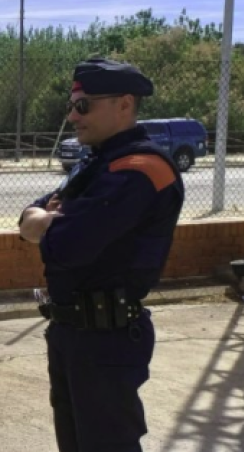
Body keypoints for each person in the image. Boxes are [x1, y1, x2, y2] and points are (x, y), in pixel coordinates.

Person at [18, 58, 184, 452]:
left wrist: (46, 223)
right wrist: (44, 221)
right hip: (72, 332)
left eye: (83, 105)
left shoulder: (141, 169)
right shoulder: (98, 163)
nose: (72, 116)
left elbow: (66, 247)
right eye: (73, 105)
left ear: (124, 104)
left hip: (106, 338)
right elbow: (27, 220)